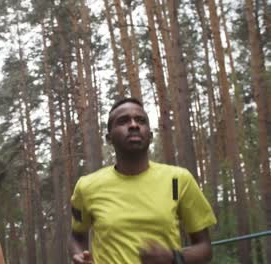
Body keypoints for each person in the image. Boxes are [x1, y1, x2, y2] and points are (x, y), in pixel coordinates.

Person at [69, 98, 217, 263]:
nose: (133, 125)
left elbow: (205, 248)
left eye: (141, 120)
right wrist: (80, 256)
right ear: (109, 138)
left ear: (150, 135)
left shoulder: (178, 180)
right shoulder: (87, 187)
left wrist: (173, 258)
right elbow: (77, 236)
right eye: (123, 121)